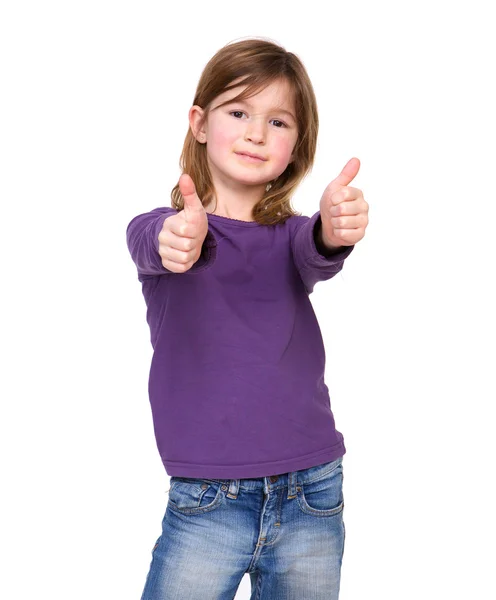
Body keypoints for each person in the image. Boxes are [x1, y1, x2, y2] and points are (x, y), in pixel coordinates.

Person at [126, 37, 369, 600]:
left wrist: (334, 229)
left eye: (278, 121)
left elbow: (317, 249)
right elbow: (151, 242)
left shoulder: (293, 237)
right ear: (200, 122)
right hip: (208, 499)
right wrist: (176, 239)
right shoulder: (164, 228)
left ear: (296, 146)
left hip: (313, 491)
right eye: (238, 112)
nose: (257, 133)